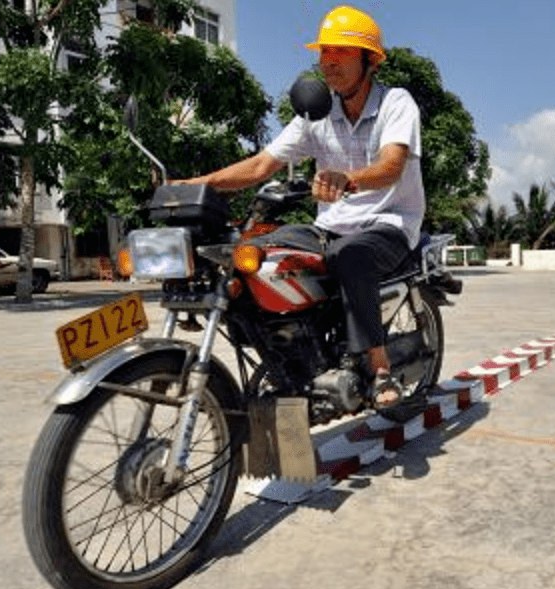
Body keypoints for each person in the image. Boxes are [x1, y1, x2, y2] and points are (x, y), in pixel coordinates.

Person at [175, 6, 424, 408]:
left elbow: (392, 166)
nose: (329, 62)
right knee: (255, 253)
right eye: (324, 53)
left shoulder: (396, 103)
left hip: (389, 223)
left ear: (369, 60)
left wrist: (349, 180)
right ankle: (288, 359)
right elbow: (260, 164)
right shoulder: (315, 115)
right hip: (331, 224)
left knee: (351, 254)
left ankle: (379, 369)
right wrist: (193, 185)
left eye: (342, 52)